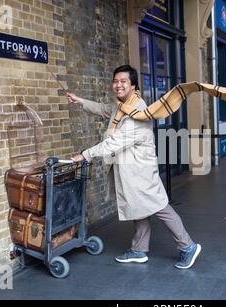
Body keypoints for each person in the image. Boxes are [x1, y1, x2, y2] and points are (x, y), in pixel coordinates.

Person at [66, 64, 201, 269]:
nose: (118, 85)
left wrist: (84, 155)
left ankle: (188, 246)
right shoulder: (123, 106)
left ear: (133, 86)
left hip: (140, 172)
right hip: (130, 171)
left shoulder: (137, 113)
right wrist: (80, 101)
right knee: (138, 208)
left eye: (123, 81)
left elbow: (113, 143)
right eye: (116, 81)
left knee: (160, 207)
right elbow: (104, 109)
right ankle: (139, 250)